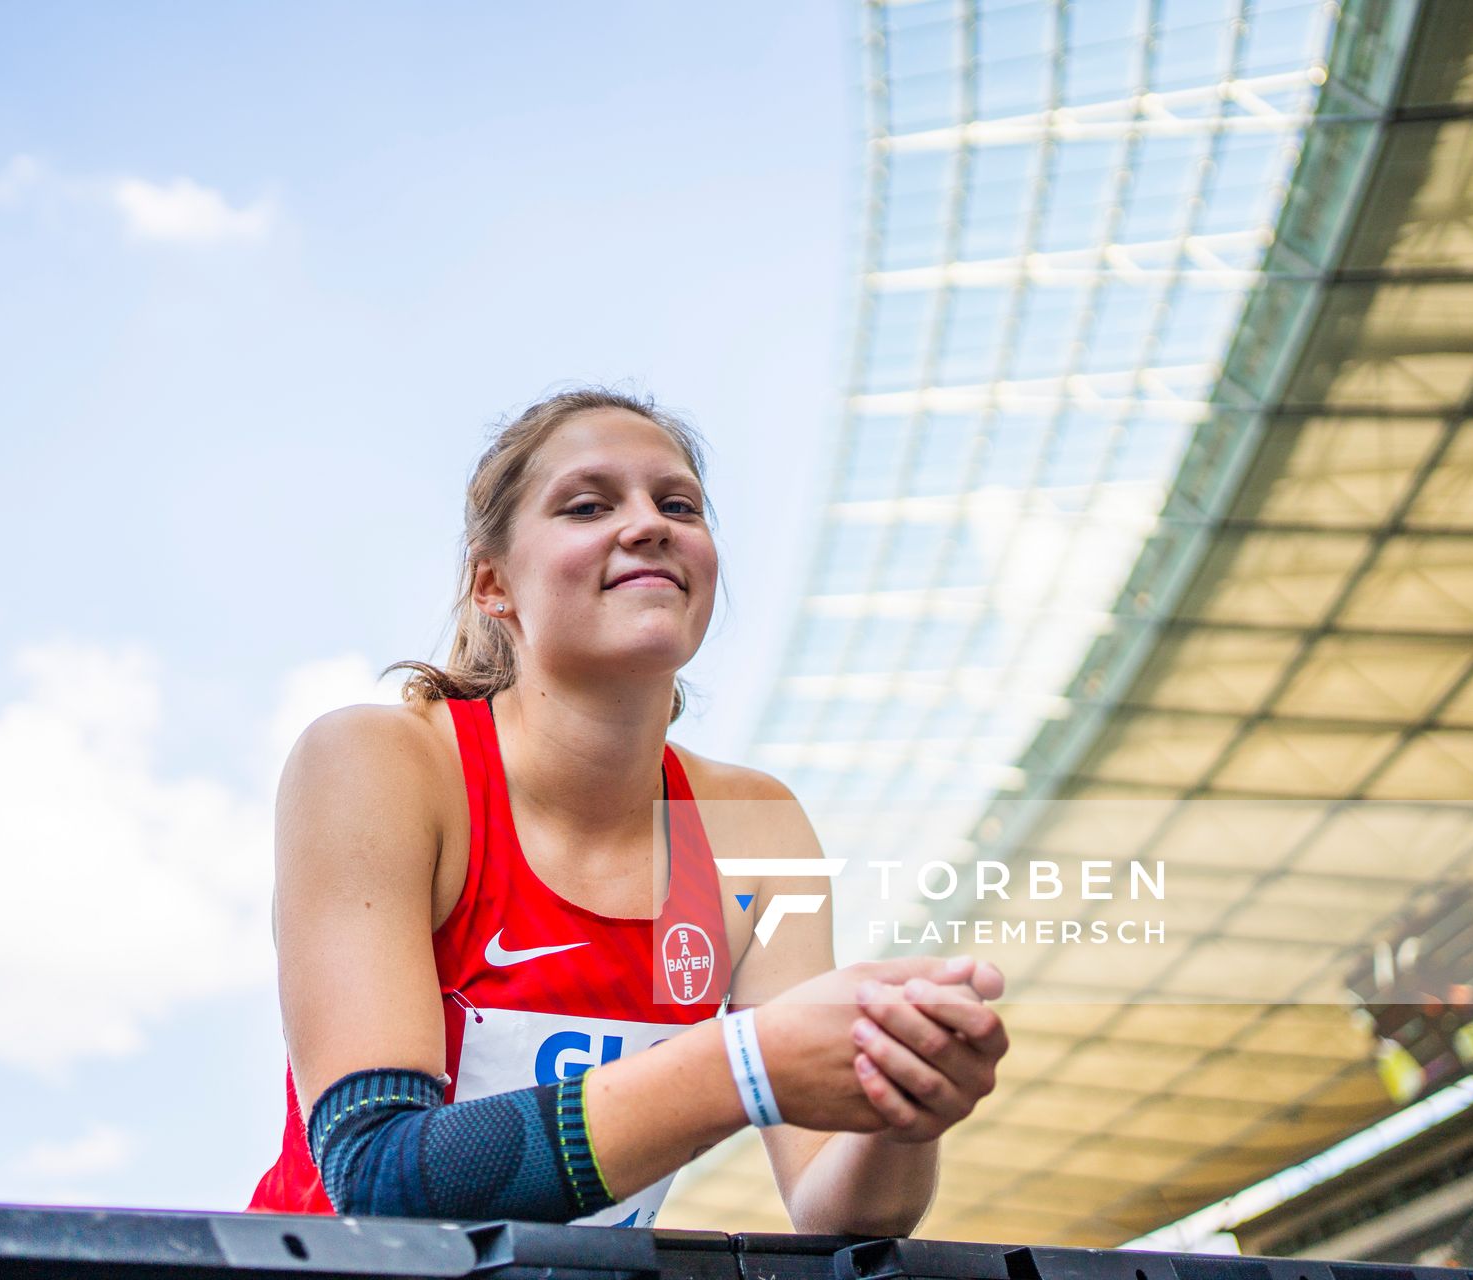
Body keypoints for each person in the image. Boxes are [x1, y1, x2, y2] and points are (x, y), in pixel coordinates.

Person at [247, 388, 1008, 1233]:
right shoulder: (387, 764)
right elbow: (380, 1175)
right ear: (492, 582)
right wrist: (743, 1065)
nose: (650, 524)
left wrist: (905, 1094)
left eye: (678, 504)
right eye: (587, 505)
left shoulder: (747, 827)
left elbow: (837, 1216)